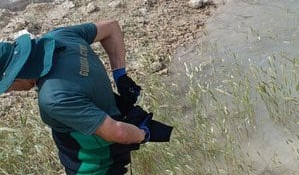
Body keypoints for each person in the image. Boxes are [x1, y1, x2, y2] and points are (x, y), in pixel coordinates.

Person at [0, 20, 171, 174]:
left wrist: (143, 134)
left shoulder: (53, 97)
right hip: (109, 144)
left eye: (6, 87)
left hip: (95, 167)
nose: (10, 91)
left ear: (17, 76)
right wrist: (120, 75)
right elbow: (111, 27)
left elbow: (118, 132)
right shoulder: (60, 36)